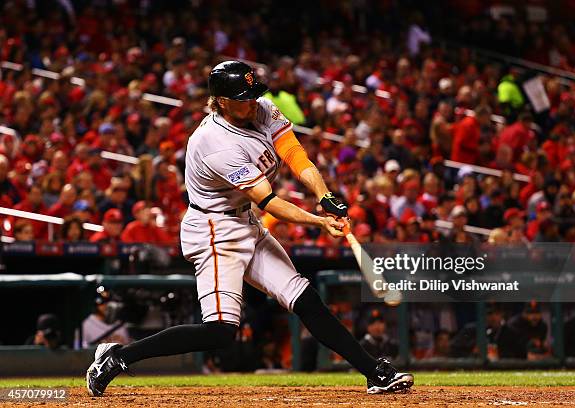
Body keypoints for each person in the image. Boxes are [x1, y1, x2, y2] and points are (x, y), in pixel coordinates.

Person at [86, 61, 413, 396]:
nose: (253, 101)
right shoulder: (215, 143)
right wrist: (318, 221)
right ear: (222, 101)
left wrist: (324, 195)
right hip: (214, 230)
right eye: (243, 97)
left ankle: (374, 373)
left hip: (244, 221)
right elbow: (268, 201)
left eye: (253, 93)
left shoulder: (260, 109)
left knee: (304, 298)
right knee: (220, 331)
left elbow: (294, 154)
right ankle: (117, 356)